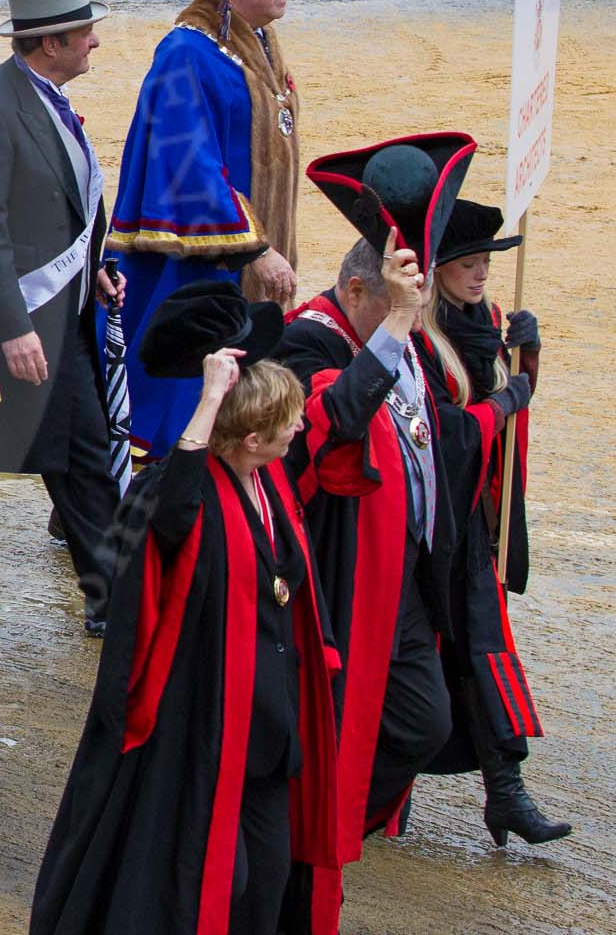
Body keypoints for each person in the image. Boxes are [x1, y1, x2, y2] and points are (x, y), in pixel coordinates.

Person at [33, 282, 339, 935]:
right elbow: (175, 512)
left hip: (272, 733)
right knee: (217, 889)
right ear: (251, 436)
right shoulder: (174, 494)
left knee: (267, 890)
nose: (302, 424)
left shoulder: (271, 482)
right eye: (289, 419)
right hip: (205, 734)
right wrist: (206, 402)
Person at [276, 134, 473, 927]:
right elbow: (333, 420)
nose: (411, 317)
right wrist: (393, 328)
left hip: (402, 581)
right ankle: (311, 845)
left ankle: (338, 826)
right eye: (392, 302)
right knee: (332, 743)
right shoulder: (308, 338)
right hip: (339, 582)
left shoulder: (399, 335)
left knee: (427, 721)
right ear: (358, 287)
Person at [0, 0, 123, 634]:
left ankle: (113, 594)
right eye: (85, 34)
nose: (95, 44)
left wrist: (94, 268)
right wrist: (12, 326)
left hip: (62, 318)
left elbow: (60, 205)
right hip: (5, 328)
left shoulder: (42, 94)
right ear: (50, 43)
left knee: (84, 456)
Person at [109, 0, 311, 465]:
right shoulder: (185, 53)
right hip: (199, 265)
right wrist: (256, 248)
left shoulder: (260, 43)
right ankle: (136, 503)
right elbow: (186, 162)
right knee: (175, 400)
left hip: (239, 264)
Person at [411, 198, 568, 845]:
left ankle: (506, 791)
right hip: (423, 526)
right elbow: (447, 436)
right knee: (414, 660)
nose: (480, 275)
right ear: (438, 268)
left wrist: (526, 360)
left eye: (485, 264)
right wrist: (506, 397)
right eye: (468, 264)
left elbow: (504, 421)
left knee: (484, 646)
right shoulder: (419, 338)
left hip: (470, 523)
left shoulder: (490, 322)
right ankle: (371, 786)